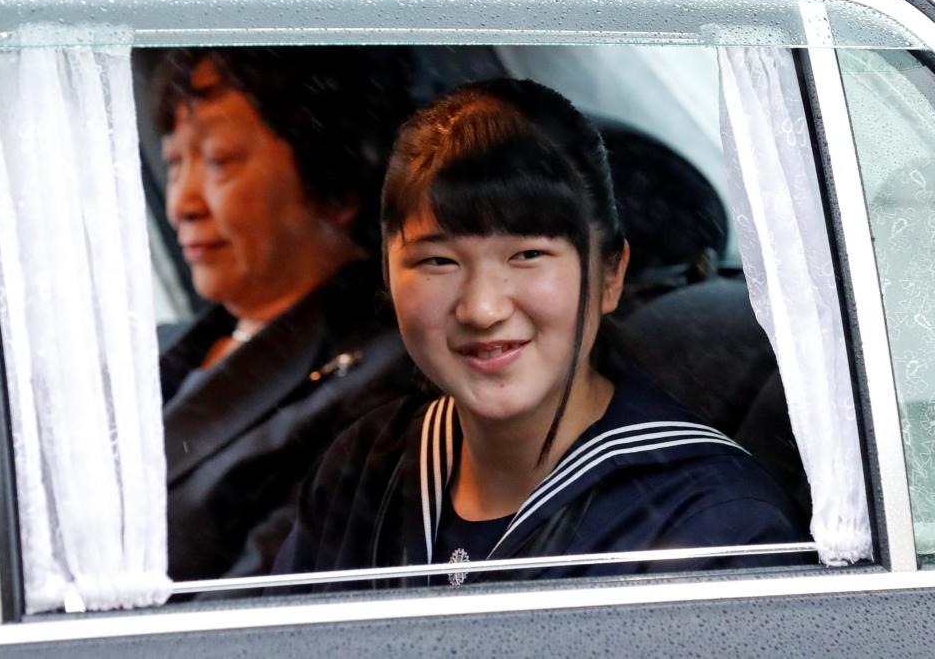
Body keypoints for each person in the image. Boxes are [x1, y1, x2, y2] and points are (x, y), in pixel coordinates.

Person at [271, 78, 809, 590]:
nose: (482, 308)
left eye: (528, 254)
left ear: (610, 275)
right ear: (388, 278)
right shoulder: (367, 468)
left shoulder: (715, 530)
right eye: (437, 260)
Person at [153, 47, 416, 582]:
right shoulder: (157, 350)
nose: (183, 203)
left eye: (220, 160)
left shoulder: (392, 382)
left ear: (334, 180)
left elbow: (257, 605)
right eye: (175, 163)